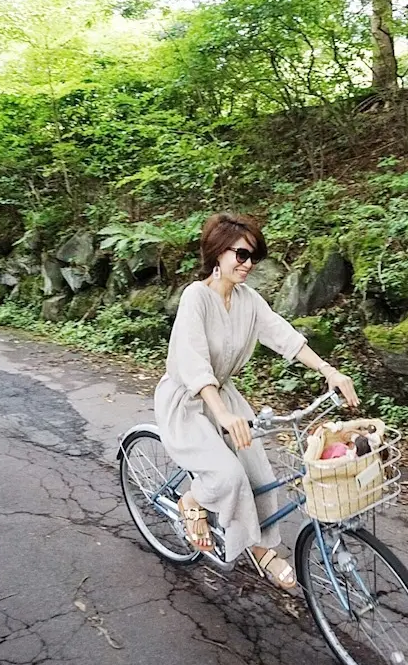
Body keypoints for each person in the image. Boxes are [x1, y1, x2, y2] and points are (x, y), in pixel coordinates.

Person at [154, 213, 359, 589]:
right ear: (218, 253)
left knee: (262, 475)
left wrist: (330, 371)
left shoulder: (249, 300)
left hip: (225, 397)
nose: (248, 265)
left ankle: (262, 548)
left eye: (253, 257)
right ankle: (191, 502)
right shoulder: (195, 298)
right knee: (228, 476)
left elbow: (284, 336)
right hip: (187, 401)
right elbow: (195, 363)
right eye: (242, 255)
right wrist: (222, 415)